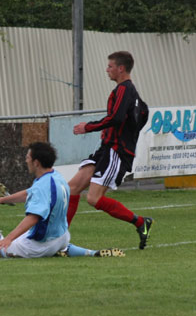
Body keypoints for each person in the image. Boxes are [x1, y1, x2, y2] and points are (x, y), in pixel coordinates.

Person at [66, 51, 153, 250]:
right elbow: (142, 115)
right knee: (72, 189)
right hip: (107, 148)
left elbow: (116, 118)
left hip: (116, 151)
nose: (107, 70)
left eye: (110, 66)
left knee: (93, 198)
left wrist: (88, 127)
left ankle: (141, 222)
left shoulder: (124, 89)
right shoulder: (134, 94)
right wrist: (112, 133)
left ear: (120, 68)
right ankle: (61, 238)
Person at [0, 142, 125, 259]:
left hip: (43, 243)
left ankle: (48, 251)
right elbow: (29, 193)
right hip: (62, 236)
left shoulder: (42, 186)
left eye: (27, 157)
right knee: (25, 238)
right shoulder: (56, 177)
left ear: (36, 163)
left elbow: (33, 217)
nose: (26, 160)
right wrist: (0, 200)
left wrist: (9, 239)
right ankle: (91, 253)